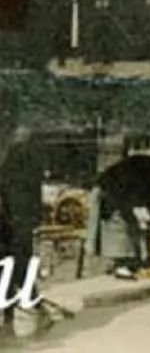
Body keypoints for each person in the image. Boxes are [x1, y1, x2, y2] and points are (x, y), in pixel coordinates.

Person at [0, 115, 47, 335]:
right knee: (18, 267)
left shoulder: (12, 162)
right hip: (17, 224)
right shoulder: (27, 162)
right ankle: (29, 309)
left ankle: (12, 315)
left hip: (11, 224)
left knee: (10, 268)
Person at [97, 152, 150, 276]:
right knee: (122, 229)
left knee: (131, 226)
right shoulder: (149, 168)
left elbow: (149, 198)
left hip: (119, 191)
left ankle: (129, 261)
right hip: (111, 190)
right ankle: (123, 264)